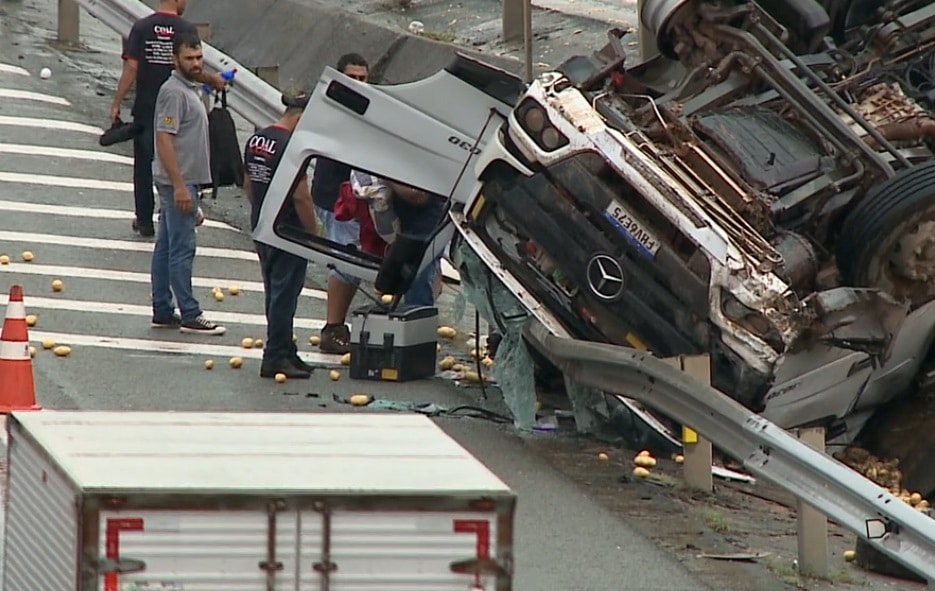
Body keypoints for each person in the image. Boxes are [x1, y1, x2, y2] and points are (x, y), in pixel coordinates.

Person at [110, 0, 225, 237]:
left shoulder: (142, 27)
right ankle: (169, 212)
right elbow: (193, 70)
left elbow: (131, 67)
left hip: (147, 106)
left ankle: (144, 220)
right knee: (178, 161)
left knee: (144, 164)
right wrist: (213, 80)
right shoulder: (186, 30)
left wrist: (117, 102)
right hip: (179, 108)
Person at [150, 32, 226, 335]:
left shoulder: (189, 86)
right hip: (178, 182)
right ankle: (190, 313)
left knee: (166, 245)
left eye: (199, 58)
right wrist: (180, 186)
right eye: (189, 59)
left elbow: (195, 76)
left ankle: (163, 308)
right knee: (182, 249)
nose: (195, 63)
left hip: (182, 181)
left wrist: (211, 79)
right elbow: (164, 139)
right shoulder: (173, 93)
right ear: (174, 60)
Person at [244, 92, 318, 379]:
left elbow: (248, 182)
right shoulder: (292, 147)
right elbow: (301, 197)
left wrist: (260, 213)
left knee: (273, 290)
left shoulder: (257, 139)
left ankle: (286, 348)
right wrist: (312, 234)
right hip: (289, 230)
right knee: (285, 295)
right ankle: (275, 355)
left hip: (264, 224)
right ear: (300, 118)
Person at [311, 52, 371, 354]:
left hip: (352, 198)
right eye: (352, 78)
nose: (358, 84)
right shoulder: (333, 108)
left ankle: (337, 325)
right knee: (347, 262)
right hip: (333, 197)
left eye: (363, 78)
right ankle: (332, 327)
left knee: (353, 261)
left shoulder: (366, 110)